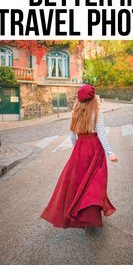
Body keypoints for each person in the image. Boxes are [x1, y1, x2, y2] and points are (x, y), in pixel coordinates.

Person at [40, 84, 118, 235]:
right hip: (95, 148)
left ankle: (84, 214)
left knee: (80, 182)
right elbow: (101, 133)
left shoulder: (75, 111)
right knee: (95, 182)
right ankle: (91, 214)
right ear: (93, 98)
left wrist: (78, 149)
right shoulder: (96, 112)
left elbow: (72, 135)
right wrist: (110, 153)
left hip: (80, 149)